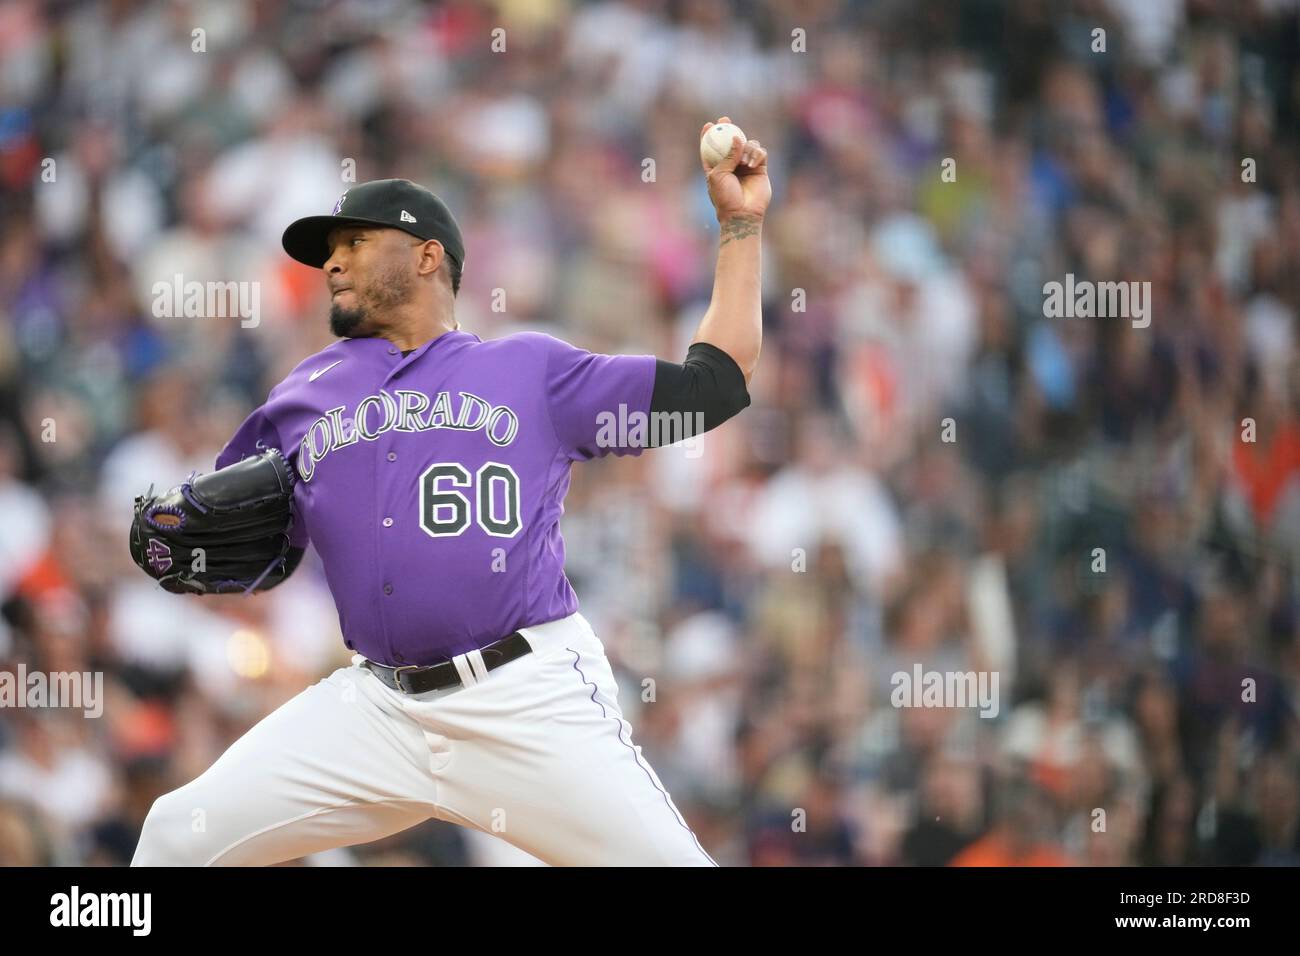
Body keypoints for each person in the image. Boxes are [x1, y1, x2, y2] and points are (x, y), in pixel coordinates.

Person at [130, 118, 769, 866]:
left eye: (354, 244)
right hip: (378, 708)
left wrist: (739, 226)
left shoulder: (533, 371)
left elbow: (715, 382)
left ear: (428, 256)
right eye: (329, 254)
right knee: (177, 836)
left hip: (526, 697)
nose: (333, 265)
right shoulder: (303, 394)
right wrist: (193, 550)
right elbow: (248, 539)